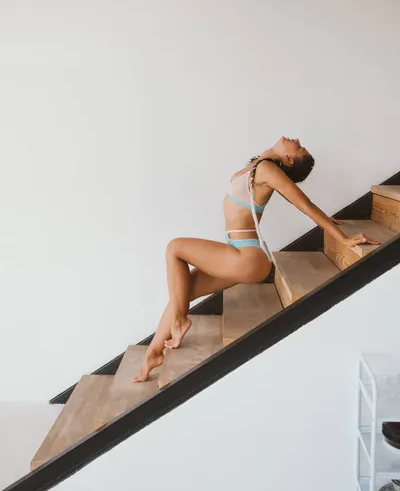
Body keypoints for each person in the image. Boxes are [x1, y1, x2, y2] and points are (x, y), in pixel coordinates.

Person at [133, 136, 379, 382]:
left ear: (289, 159)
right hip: (238, 252)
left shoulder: (267, 170)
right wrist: (269, 153)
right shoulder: (260, 165)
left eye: (299, 147)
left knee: (174, 248)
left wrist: (342, 238)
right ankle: (153, 354)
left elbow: (304, 204)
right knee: (182, 290)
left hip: (246, 257)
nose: (297, 139)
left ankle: (178, 322)